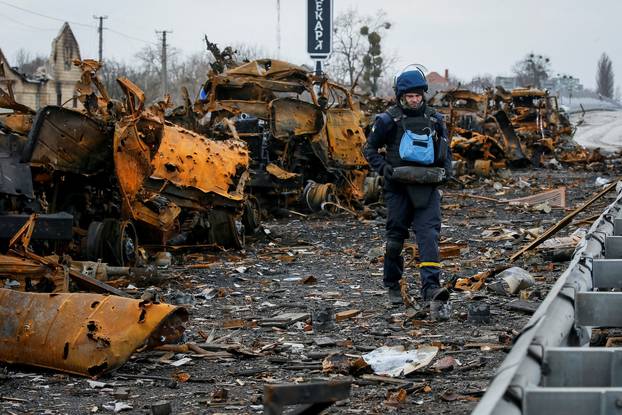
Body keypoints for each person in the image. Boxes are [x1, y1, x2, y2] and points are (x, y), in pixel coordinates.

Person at [364, 67, 452, 305]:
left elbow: (446, 152)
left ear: (423, 94)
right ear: (400, 96)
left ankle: (431, 288)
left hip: (428, 187)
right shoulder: (387, 120)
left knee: (429, 238)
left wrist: (447, 174)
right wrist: (384, 169)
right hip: (398, 189)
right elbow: (369, 149)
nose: (414, 100)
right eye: (409, 96)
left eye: (417, 95)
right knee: (395, 239)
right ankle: (392, 285)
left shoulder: (436, 120)